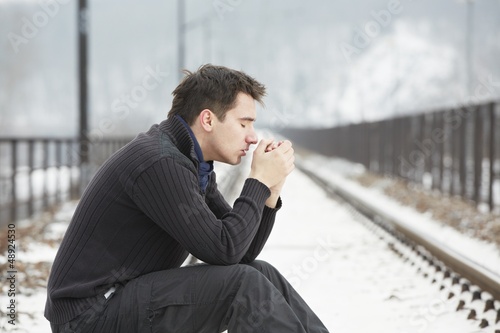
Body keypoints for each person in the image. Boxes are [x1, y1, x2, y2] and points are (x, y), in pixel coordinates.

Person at [45, 64, 329, 332]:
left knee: (261, 272)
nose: (253, 137)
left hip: (122, 298)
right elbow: (224, 249)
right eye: (244, 124)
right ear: (208, 119)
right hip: (90, 316)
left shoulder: (191, 163)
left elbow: (241, 253)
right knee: (243, 285)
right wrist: (257, 182)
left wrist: (270, 191)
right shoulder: (160, 162)